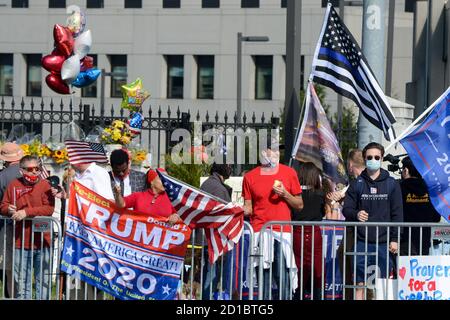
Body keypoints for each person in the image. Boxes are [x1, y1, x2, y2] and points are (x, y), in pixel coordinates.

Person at [242, 139, 303, 300]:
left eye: (278, 150)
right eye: (273, 150)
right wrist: (233, 208)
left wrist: (285, 194)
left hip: (282, 233)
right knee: (264, 278)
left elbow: (299, 204)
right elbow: (248, 207)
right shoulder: (249, 177)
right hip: (260, 232)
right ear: (263, 152)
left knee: (283, 276)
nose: (277, 153)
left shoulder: (289, 173)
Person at [342, 142, 403, 300]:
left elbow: (397, 214)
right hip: (361, 241)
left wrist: (395, 239)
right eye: (369, 157)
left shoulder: (392, 184)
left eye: (377, 157)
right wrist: (356, 214)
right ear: (364, 158)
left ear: (382, 158)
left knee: (383, 285)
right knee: (359, 284)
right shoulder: (357, 184)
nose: (373, 160)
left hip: (384, 243)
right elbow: (346, 209)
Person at [52, 160, 114, 300]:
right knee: (75, 282)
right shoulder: (78, 175)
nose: (69, 160)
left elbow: (107, 204)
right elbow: (78, 204)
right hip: (75, 236)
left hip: (93, 237)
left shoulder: (98, 173)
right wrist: (66, 198)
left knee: (92, 279)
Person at [0, 155, 55, 299]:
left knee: (43, 281)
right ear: (21, 171)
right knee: (22, 282)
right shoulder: (13, 185)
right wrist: (9, 209)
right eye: (30, 169)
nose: (35, 172)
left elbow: (48, 208)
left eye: (38, 169)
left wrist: (26, 212)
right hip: (21, 241)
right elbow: (3, 205)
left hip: (43, 241)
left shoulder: (45, 185)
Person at [332, 148, 365, 300]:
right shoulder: (355, 183)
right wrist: (341, 201)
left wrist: (343, 202)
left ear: (351, 164)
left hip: (358, 231)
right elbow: (352, 206)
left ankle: (354, 294)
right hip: (353, 230)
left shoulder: (362, 181)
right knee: (347, 258)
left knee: (355, 264)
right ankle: (351, 293)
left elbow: (360, 206)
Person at [291, 162, 326, 300]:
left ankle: (297, 294)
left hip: (298, 233)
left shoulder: (295, 195)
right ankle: (317, 295)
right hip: (314, 233)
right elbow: (321, 214)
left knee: (298, 267)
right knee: (317, 267)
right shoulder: (319, 194)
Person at [200, 163, 233, 300]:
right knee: (213, 275)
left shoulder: (209, 184)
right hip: (216, 239)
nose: (230, 168)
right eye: (229, 165)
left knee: (211, 273)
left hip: (211, 238)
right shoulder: (218, 189)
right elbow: (223, 215)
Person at [400, 156, 441, 256]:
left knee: (404, 269)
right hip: (424, 238)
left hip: (404, 238)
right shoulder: (431, 189)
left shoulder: (399, 187)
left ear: (406, 170)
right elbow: (436, 217)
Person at [113, 168, 180, 225]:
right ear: (152, 182)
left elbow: (182, 216)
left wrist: (176, 217)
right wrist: (118, 194)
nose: (166, 182)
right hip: (140, 237)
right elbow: (121, 205)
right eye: (161, 179)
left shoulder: (171, 197)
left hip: (163, 238)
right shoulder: (138, 196)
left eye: (166, 179)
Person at [0, 142, 24, 298]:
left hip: (8, 226)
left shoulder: (2, 176)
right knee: (26, 268)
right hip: (32, 227)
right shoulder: (35, 171)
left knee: (9, 269)